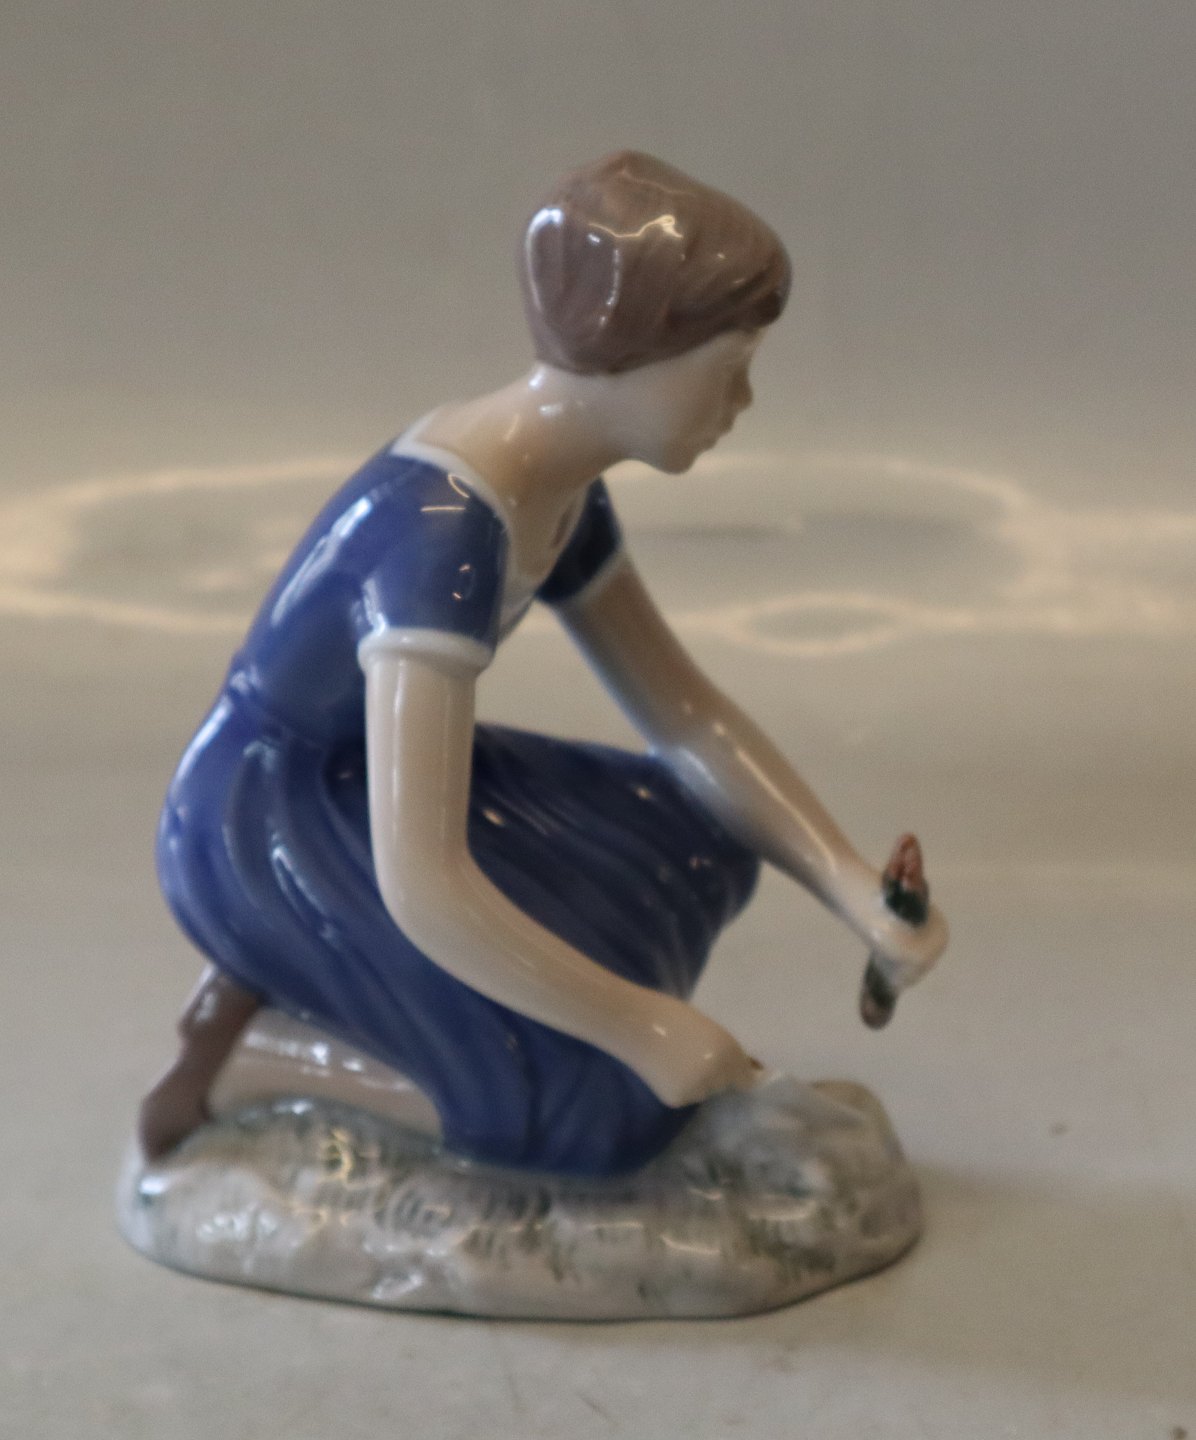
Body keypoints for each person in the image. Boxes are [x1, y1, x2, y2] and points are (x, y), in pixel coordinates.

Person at [141, 151, 947, 1175]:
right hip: (264, 818)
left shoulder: (558, 489)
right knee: (593, 1116)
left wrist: (850, 887)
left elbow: (685, 716)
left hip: (373, 788)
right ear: (632, 352)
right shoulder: (443, 532)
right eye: (727, 367)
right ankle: (256, 1060)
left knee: (696, 839)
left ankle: (387, 1004)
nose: (743, 399)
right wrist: (638, 1027)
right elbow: (426, 883)